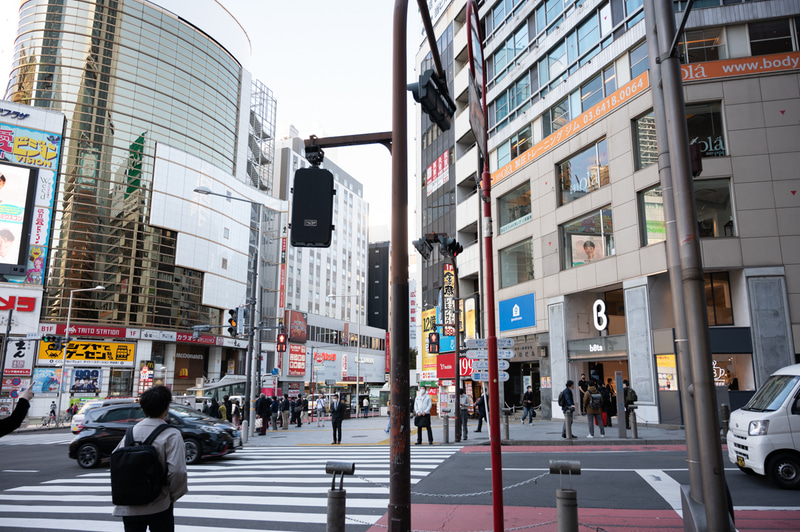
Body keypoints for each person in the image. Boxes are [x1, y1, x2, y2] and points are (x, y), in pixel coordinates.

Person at [112, 385, 187, 531]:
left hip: (129, 506)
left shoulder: (131, 432)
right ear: (167, 407)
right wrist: (172, 496)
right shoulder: (171, 434)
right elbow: (177, 472)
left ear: (143, 408)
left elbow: (116, 460)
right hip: (159, 505)